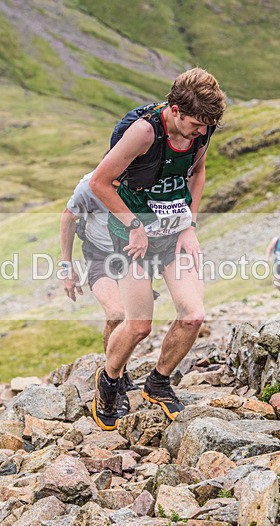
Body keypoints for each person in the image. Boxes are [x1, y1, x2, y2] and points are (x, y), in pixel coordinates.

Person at [89, 67, 225, 430]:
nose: (202, 131)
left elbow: (196, 174)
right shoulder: (144, 132)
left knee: (193, 315)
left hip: (173, 231)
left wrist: (190, 226)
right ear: (176, 110)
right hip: (131, 236)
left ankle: (159, 382)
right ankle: (109, 381)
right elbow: (99, 183)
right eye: (196, 123)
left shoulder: (203, 128)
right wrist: (134, 225)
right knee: (138, 325)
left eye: (207, 126)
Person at [60, 173, 137, 415]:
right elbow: (67, 218)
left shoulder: (143, 179)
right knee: (117, 313)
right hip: (99, 254)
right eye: (114, 184)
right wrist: (66, 267)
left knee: (136, 321)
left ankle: (119, 367)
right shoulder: (89, 186)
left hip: (132, 254)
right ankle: (113, 383)